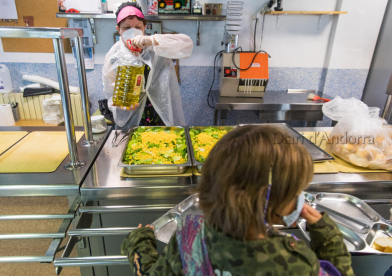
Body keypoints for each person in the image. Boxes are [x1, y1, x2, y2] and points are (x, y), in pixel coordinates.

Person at [121, 125, 355, 276]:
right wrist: (327, 238)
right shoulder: (296, 263)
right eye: (296, 192)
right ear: (267, 201)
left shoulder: (188, 238)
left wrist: (139, 242)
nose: (300, 198)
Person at [102, 2, 193, 129]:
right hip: (132, 117)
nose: (132, 32)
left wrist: (153, 40)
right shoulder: (113, 56)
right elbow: (110, 90)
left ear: (145, 27)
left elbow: (186, 44)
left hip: (160, 114)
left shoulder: (156, 46)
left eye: (138, 27)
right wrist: (118, 104)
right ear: (119, 29)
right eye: (127, 28)